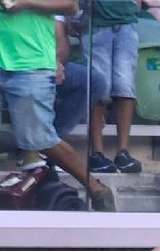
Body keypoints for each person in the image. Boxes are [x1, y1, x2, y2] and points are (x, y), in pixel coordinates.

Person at [0, 0, 115, 210]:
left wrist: (24, 2)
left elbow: (70, 5)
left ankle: (96, 189)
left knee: (42, 139)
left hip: (29, 61)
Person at [87, 0, 142, 173]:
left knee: (125, 88)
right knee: (99, 88)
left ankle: (123, 152)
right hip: (95, 23)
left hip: (127, 21)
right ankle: (96, 152)